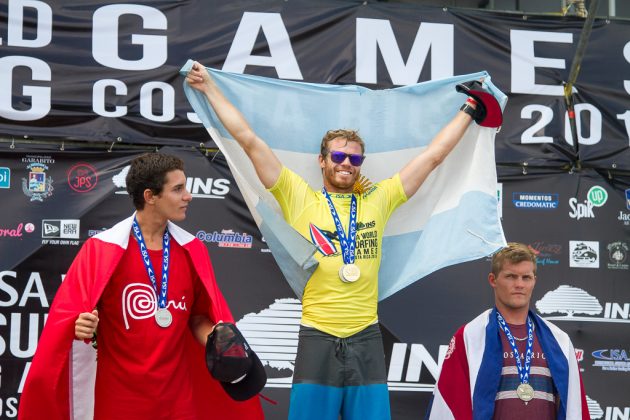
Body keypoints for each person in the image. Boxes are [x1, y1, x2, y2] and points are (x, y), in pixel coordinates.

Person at [186, 61, 497, 420]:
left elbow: (432, 157)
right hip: (317, 336)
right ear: (322, 161)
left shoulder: (379, 199)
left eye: (354, 157)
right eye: (338, 156)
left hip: (365, 335)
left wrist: (470, 108)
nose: (346, 163)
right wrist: (209, 87)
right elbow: (249, 141)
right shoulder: (299, 197)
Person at [19, 153, 264, 420]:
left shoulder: (192, 249)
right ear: (150, 196)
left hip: (178, 401)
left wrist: (219, 338)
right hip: (118, 402)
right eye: (178, 189)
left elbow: (197, 318)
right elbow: (72, 320)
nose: (189, 196)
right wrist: (81, 326)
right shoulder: (102, 250)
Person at [426, 242, 589, 420]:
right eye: (511, 276)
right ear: (493, 280)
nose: (519, 284)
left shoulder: (559, 340)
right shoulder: (470, 336)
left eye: (526, 277)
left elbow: (573, 408)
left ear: (534, 281)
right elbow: (449, 405)